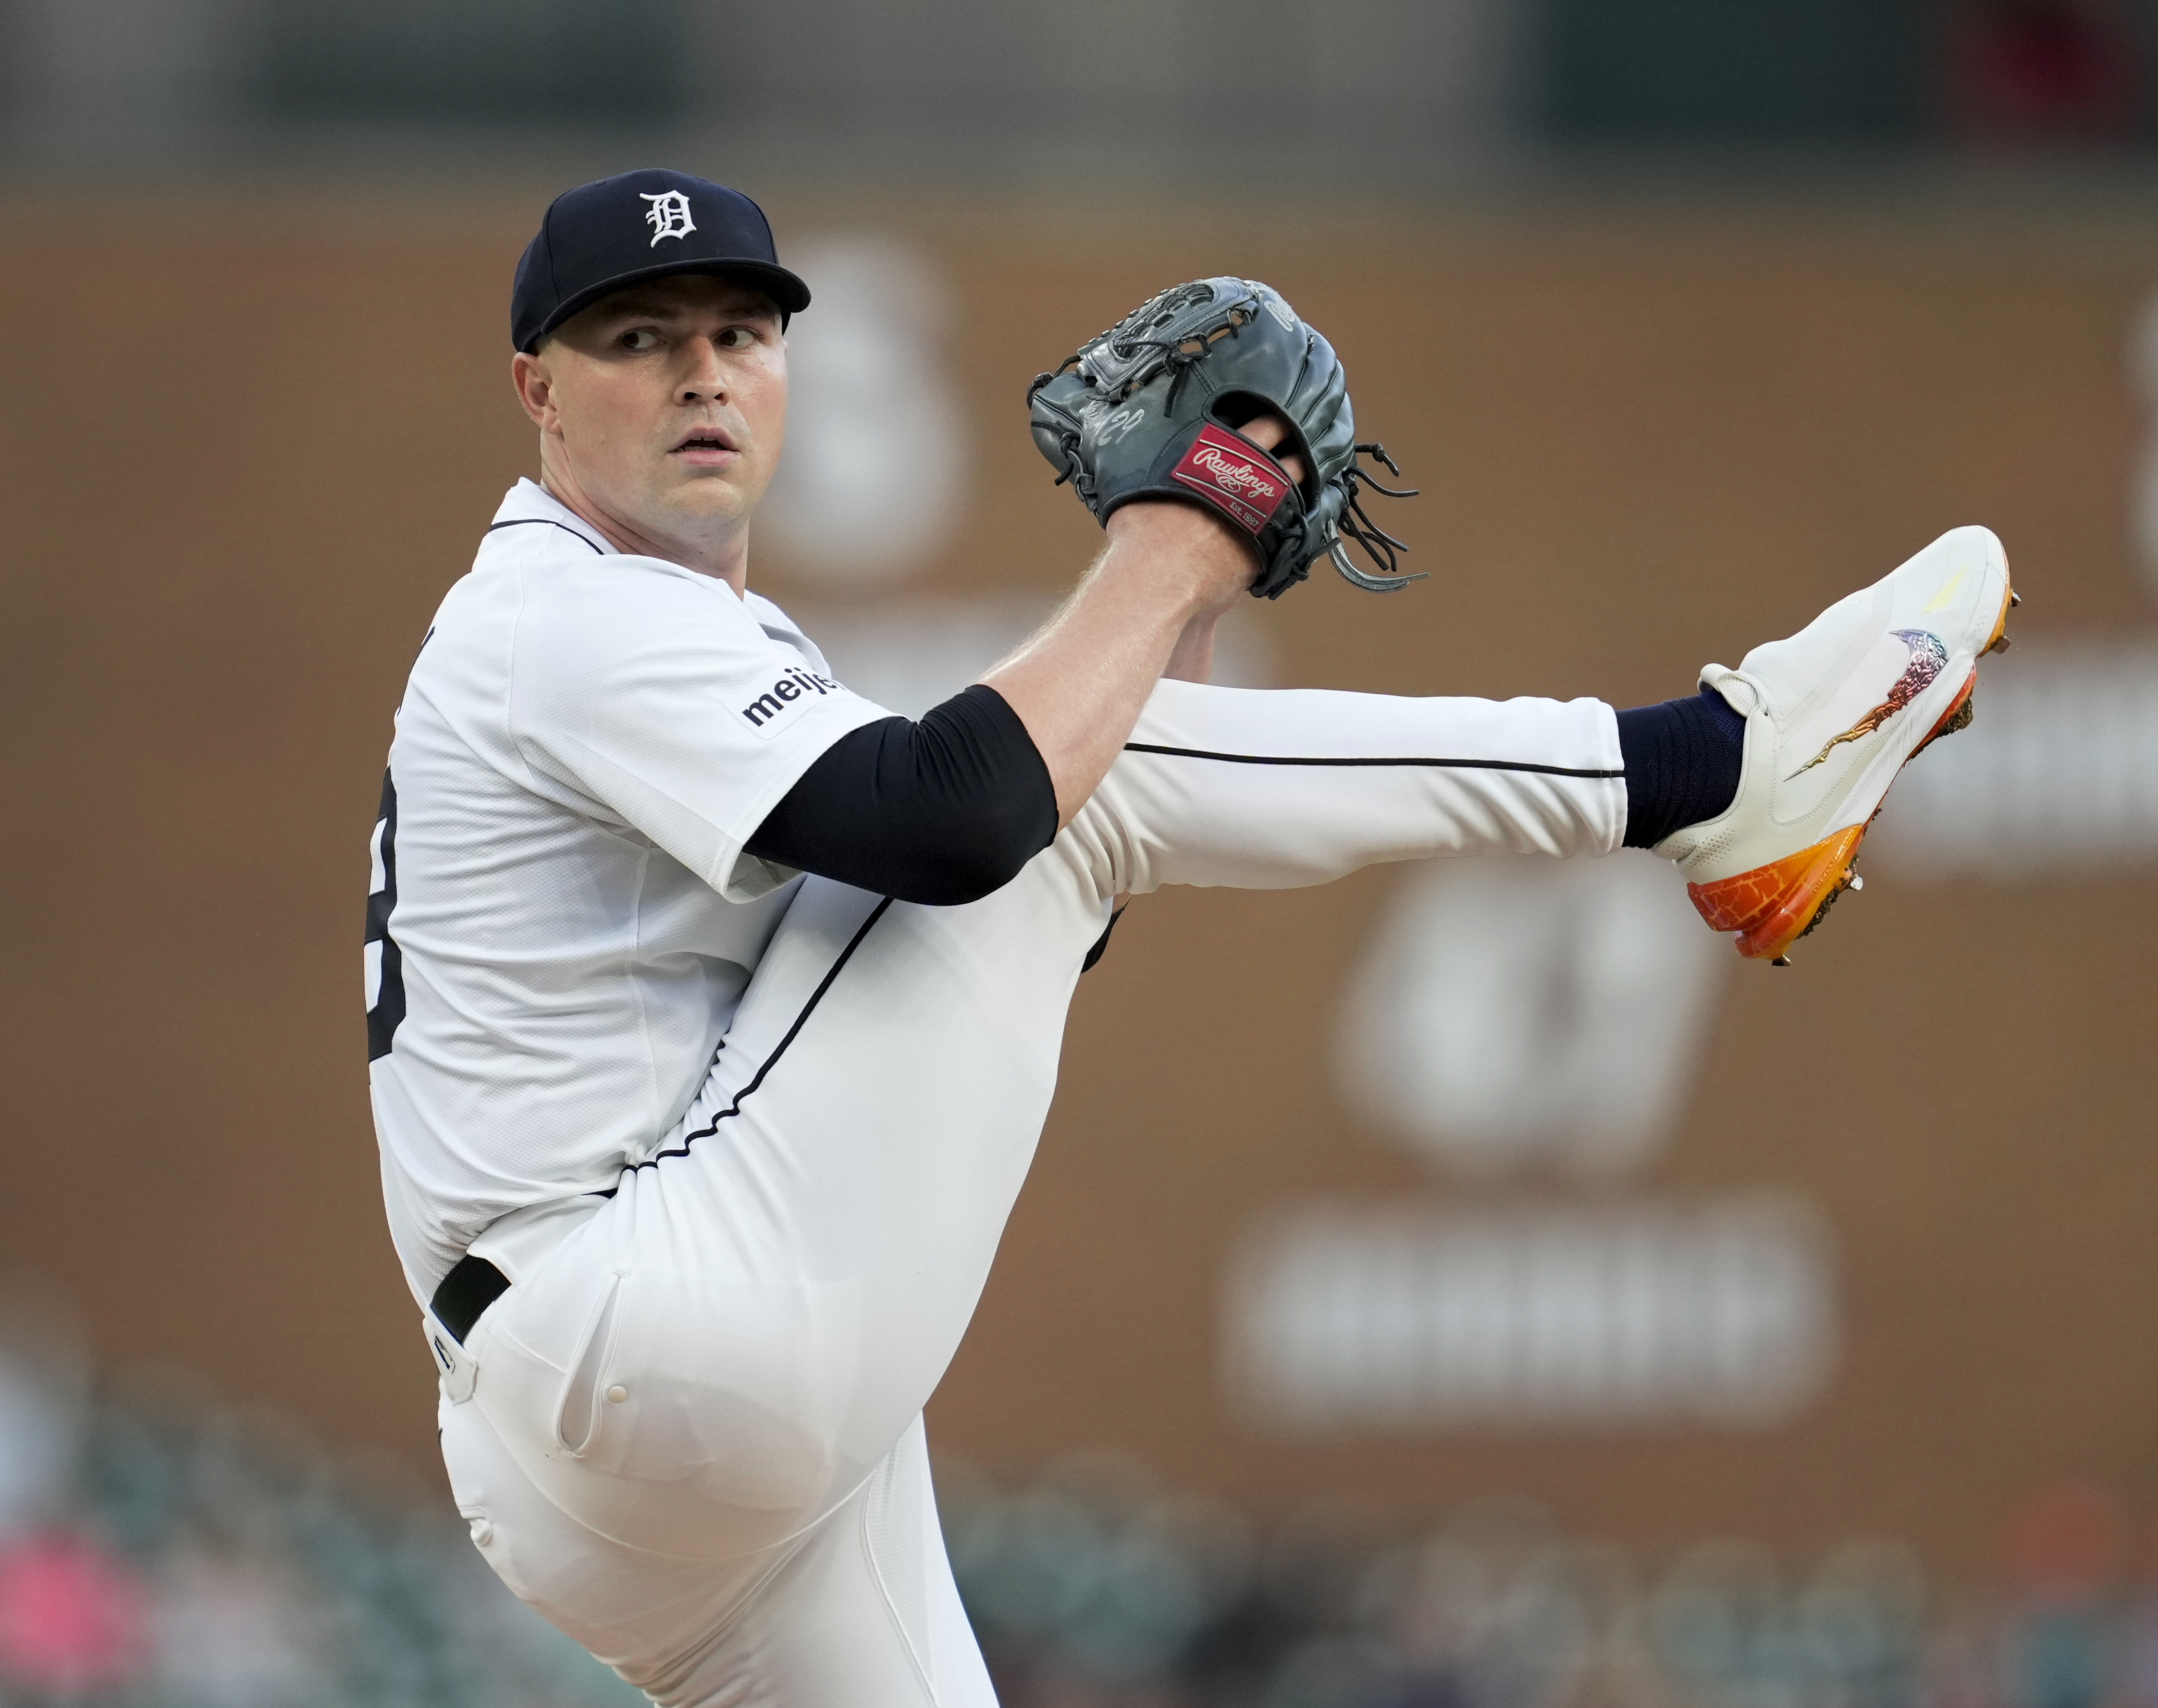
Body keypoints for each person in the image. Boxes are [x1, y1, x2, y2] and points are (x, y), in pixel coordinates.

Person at [364, 168, 2011, 1707]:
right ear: (537, 390)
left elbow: (1008, 923)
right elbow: (955, 822)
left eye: (737, 333)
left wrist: (1184, 609)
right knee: (1038, 788)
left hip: (623, 1441)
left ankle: (1722, 784)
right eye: (637, 341)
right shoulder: (570, 612)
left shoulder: (668, 628)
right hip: (641, 1326)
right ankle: (1715, 771)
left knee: (1062, 791)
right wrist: (1180, 532)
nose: (700, 375)